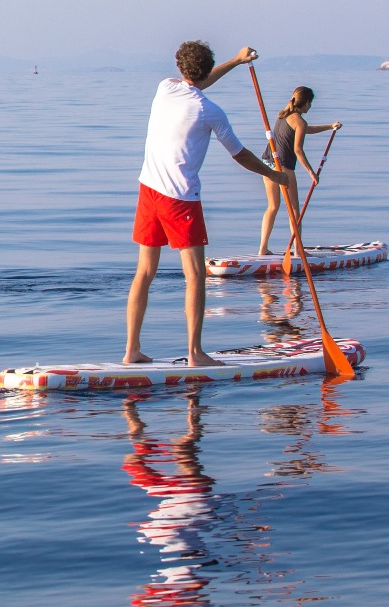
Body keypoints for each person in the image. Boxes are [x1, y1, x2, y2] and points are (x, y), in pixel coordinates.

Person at [125, 42, 291, 367]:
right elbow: (241, 155)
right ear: (205, 69)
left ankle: (132, 350)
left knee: (144, 272)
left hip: (148, 191)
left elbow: (199, 80)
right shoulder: (209, 111)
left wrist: (237, 61)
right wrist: (276, 174)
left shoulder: (165, 88)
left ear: (180, 68)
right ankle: (195, 354)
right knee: (196, 275)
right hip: (180, 199)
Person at [256, 86, 342, 256]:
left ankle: (263, 248)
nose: (311, 107)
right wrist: (311, 172)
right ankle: (298, 250)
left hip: (268, 164)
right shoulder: (300, 121)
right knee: (295, 210)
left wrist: (329, 126)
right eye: (311, 104)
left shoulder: (283, 115)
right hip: (284, 168)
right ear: (307, 102)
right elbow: (298, 150)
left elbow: (305, 130)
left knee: (272, 207)